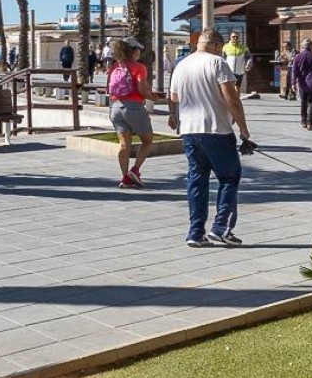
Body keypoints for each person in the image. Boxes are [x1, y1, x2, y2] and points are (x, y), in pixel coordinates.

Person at [167, 28, 253, 248]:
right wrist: (243, 128)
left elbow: (174, 97)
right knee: (230, 177)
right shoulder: (217, 63)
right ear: (216, 45)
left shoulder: (182, 65)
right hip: (216, 129)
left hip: (189, 130)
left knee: (197, 179)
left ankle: (195, 232)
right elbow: (231, 97)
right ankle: (221, 228)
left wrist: (174, 117)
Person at [106, 39, 156, 189]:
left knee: (124, 145)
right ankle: (134, 170)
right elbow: (141, 89)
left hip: (115, 108)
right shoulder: (139, 67)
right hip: (133, 107)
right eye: (138, 50)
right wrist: (153, 97)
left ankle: (125, 178)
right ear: (134, 52)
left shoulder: (115, 67)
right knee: (147, 140)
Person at [290, 40, 312, 130]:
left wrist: (293, 83)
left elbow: (294, 71)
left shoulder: (298, 57)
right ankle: (310, 123)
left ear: (302, 46)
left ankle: (304, 121)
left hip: (302, 84)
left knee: (303, 102)